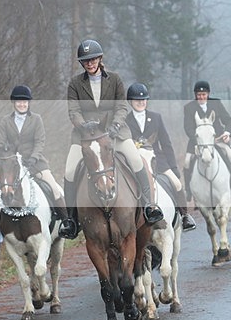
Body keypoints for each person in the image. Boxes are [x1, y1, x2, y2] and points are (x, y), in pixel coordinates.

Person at [60, 40, 163, 239]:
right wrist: (83, 126)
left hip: (115, 133)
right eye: (85, 61)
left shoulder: (115, 79)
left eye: (92, 59)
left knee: (135, 159)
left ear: (99, 59)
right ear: (82, 63)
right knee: (70, 170)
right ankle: (71, 220)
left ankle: (149, 205)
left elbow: (121, 107)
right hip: (86, 136)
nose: (89, 63)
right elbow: (73, 111)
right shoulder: (75, 84)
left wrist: (115, 125)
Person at [0, 85, 70, 244]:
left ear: (28, 103)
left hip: (35, 163)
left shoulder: (36, 119)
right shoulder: (6, 121)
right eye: (19, 101)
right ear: (14, 103)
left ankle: (67, 223)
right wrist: (5, 151)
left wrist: (33, 157)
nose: (22, 104)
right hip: (12, 165)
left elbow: (40, 141)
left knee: (54, 188)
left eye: (25, 102)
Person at [125, 83, 196, 231]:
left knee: (177, 184)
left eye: (144, 99)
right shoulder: (126, 121)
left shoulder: (156, 117)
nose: (141, 102)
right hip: (134, 164)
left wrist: (173, 167)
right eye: (137, 100)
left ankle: (184, 216)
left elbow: (166, 144)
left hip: (158, 162)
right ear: (130, 101)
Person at [182, 80, 231, 194]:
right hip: (198, 141)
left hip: (218, 139)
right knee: (187, 161)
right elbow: (188, 128)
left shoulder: (216, 103)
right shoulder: (189, 107)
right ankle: (188, 190)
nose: (201, 97)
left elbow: (228, 120)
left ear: (208, 94)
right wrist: (197, 140)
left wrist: (227, 133)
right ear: (195, 95)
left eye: (204, 94)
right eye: (199, 95)